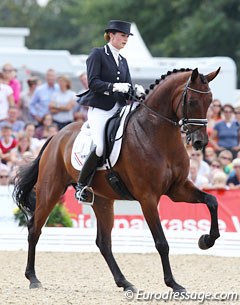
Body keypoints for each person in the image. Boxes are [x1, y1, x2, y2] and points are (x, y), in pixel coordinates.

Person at [75, 20, 145, 202]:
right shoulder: (97, 54)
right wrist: (114, 87)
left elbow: (127, 85)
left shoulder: (123, 60)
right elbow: (93, 82)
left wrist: (135, 90)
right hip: (101, 109)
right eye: (123, 36)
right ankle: (81, 186)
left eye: (127, 37)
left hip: (120, 109)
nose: (125, 40)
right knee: (99, 147)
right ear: (111, 35)